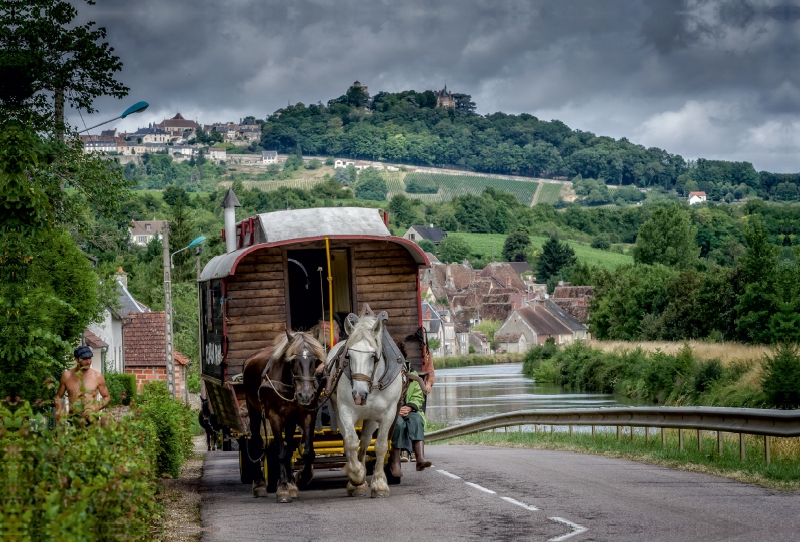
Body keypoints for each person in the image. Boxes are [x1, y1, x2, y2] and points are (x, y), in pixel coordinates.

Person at [389, 364, 432, 477]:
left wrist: (410, 407)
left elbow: (418, 396)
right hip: (392, 412)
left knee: (417, 420)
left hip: (410, 410)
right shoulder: (385, 375)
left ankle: (420, 459)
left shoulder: (413, 375)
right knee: (397, 425)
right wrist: (395, 410)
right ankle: (395, 463)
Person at [55, 346, 111, 421]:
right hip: (74, 418)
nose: (88, 362)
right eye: (85, 359)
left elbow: (106, 397)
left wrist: (94, 408)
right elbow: (58, 397)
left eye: (90, 358)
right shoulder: (67, 376)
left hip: (92, 418)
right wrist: (59, 412)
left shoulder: (97, 376)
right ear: (76, 359)